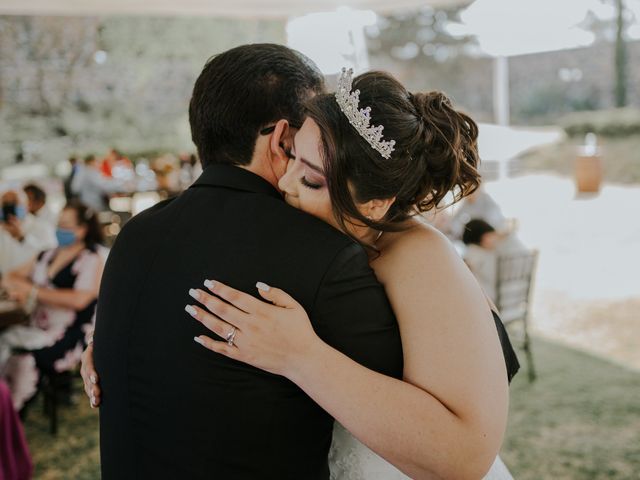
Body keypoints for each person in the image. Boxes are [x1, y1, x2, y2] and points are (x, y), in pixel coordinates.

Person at [82, 58, 519, 480]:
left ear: (376, 203)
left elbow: (465, 457)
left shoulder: (420, 255)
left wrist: (302, 358)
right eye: (292, 157)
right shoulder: (320, 243)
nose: (286, 183)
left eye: (310, 179)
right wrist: (121, 341)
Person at [0, 201, 104, 410]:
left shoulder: (92, 258)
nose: (60, 230)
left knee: (23, 361)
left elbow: (79, 299)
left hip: (69, 332)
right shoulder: (47, 254)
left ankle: (13, 412)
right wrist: (37, 291)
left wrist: (33, 291)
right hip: (36, 325)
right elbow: (10, 277)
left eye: (66, 225)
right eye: (59, 224)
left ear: (82, 229)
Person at [462, 219, 528, 302]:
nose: (494, 238)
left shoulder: (484, 253)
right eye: (491, 235)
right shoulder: (483, 253)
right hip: (514, 297)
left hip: (497, 299)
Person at [0, 190, 57, 274]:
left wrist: (22, 238)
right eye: (5, 204)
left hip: (27, 281)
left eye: (14, 203)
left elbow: (48, 256)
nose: (10, 207)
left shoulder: (43, 227)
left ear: (27, 206)